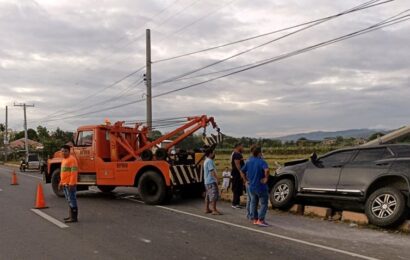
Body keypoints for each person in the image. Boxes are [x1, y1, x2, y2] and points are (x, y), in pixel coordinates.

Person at [241, 146, 270, 227]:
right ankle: (260, 220)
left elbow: (242, 171)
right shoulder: (262, 161)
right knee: (264, 203)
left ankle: (254, 219)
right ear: (259, 153)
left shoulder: (248, 161)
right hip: (260, 186)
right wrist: (266, 178)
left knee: (253, 202)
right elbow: (267, 170)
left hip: (251, 186)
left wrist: (245, 180)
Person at [59, 145, 79, 223]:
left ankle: (74, 218)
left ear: (69, 151)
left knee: (72, 200)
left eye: (65, 151)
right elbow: (63, 173)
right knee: (69, 200)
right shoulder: (64, 159)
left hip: (70, 184)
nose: (63, 153)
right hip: (65, 183)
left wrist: (71, 183)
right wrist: (60, 182)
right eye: (62, 151)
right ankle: (71, 216)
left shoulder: (72, 159)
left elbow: (73, 173)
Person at [203, 149, 222, 215]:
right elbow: (212, 171)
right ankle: (214, 210)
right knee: (213, 195)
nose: (214, 154)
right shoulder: (210, 161)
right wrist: (217, 179)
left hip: (207, 181)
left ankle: (207, 209)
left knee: (208, 195)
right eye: (213, 153)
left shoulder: (206, 160)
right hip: (211, 181)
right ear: (210, 154)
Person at [231, 143, 245, 209]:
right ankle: (235, 203)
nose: (243, 148)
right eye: (242, 146)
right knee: (236, 188)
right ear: (238, 146)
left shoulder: (237, 153)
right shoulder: (237, 154)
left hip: (237, 173)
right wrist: (241, 173)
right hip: (236, 174)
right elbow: (237, 164)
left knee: (239, 188)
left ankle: (237, 202)